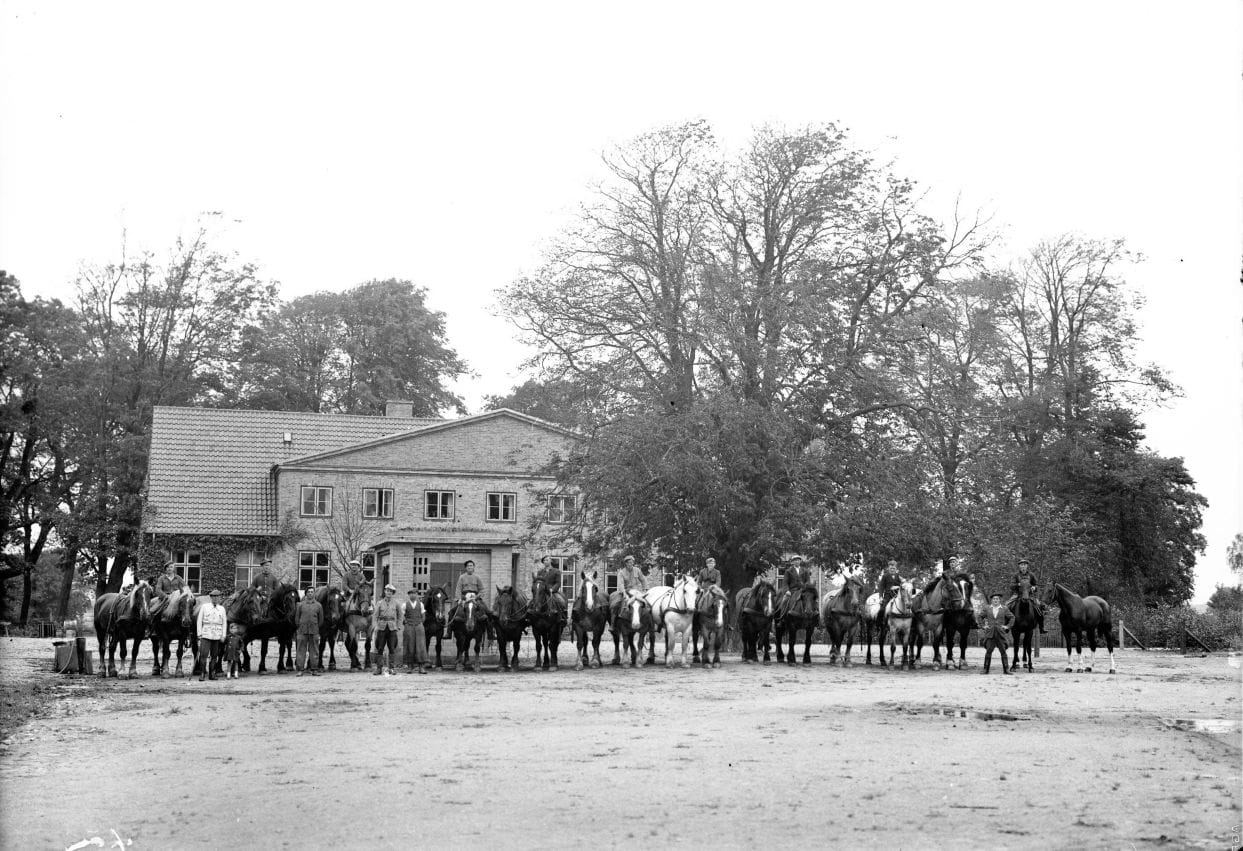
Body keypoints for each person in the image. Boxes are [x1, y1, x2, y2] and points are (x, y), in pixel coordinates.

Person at [454, 560, 495, 639]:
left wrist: (476, 597)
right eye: (468, 566)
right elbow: (458, 589)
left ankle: (491, 634)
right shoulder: (461, 577)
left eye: (471, 565)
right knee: (452, 611)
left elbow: (482, 589)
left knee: (488, 612)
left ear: (473, 567)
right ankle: (449, 632)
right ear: (466, 568)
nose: (470, 567)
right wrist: (459, 599)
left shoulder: (477, 577)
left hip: (475, 598)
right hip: (465, 597)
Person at [195, 589, 228, 682]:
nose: (215, 599)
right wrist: (199, 634)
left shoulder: (222, 609)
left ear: (220, 598)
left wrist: (223, 635)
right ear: (210, 598)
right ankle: (202, 674)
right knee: (203, 655)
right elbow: (199, 621)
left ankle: (212, 673)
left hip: (217, 634)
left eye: (217, 597)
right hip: (206, 634)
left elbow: (224, 623)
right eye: (213, 597)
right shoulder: (205, 607)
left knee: (214, 655)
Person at [1007, 558, 1047, 633]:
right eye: (1021, 565)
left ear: (1027, 566)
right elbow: (1011, 586)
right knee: (1006, 605)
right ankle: (1006, 626)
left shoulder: (1031, 575)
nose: (1023, 566)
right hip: (1017, 595)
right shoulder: (1016, 575)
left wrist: (1034, 587)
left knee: (1039, 607)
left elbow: (1037, 585)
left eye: (1024, 565)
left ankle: (1042, 627)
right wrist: (1017, 584)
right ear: (1019, 566)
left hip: (1030, 595)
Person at [980, 593, 1014, 675]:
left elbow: (1012, 617)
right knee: (988, 651)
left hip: (1000, 633)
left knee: (1003, 651)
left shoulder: (1004, 609)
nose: (995, 600)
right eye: (994, 599)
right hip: (990, 633)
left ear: (1000, 600)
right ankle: (986, 669)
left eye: (997, 599)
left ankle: (1006, 669)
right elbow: (979, 616)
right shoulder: (987, 608)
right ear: (992, 600)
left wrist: (1007, 626)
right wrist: (983, 626)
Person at [372, 583, 402, 675]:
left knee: (392, 648)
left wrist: (398, 625)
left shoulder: (396, 603)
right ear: (385, 591)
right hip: (381, 627)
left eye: (391, 591)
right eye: (387, 591)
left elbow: (400, 615)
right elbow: (375, 616)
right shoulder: (379, 603)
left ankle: (391, 668)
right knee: (380, 647)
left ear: (393, 593)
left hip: (392, 627)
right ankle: (379, 668)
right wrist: (375, 626)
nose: (389, 593)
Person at [295, 584, 323, 676]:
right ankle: (300, 669)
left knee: (314, 650)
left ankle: (314, 669)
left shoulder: (318, 605)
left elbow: (321, 620)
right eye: (309, 592)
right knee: (300, 651)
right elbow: (297, 619)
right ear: (306, 593)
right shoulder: (300, 605)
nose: (310, 594)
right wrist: (300, 627)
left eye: (312, 592)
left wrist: (316, 628)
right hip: (302, 631)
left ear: (314, 593)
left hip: (314, 631)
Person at [402, 589, 429, 674]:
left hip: (418, 626)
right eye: (411, 594)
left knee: (420, 645)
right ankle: (410, 667)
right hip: (409, 626)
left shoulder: (420, 604)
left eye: (414, 594)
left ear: (417, 595)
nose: (413, 595)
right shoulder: (405, 605)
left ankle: (421, 667)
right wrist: (406, 622)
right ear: (409, 595)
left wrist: (420, 623)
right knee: (409, 645)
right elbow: (402, 616)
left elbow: (423, 616)